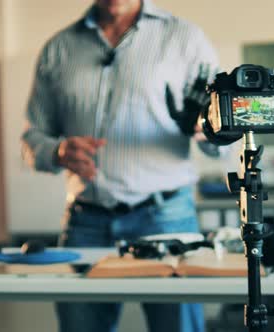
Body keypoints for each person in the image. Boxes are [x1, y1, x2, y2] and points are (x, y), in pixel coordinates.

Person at [21, 1, 223, 331]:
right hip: (85, 222)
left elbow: (222, 138)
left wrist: (210, 129)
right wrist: (56, 151)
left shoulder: (185, 38)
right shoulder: (58, 48)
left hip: (167, 218)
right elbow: (32, 138)